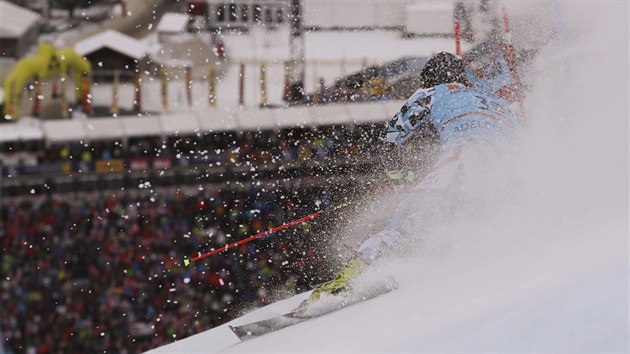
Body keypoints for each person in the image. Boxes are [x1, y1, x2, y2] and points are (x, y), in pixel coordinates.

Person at [309, 51, 519, 301]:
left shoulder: (432, 93)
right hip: (503, 165)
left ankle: (348, 279)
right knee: (479, 218)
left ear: (430, 78)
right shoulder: (494, 100)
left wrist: (396, 175)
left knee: (405, 225)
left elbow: (391, 136)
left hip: (460, 156)